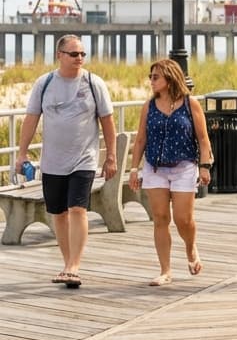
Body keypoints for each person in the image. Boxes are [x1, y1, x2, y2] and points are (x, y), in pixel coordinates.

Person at [16, 35, 117, 290]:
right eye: (74, 54)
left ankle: (74, 266)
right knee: (58, 213)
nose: (80, 58)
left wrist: (112, 156)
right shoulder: (45, 83)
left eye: (83, 54)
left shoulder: (95, 83)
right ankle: (68, 265)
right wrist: (22, 153)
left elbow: (107, 122)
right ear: (59, 55)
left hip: (84, 159)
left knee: (77, 209)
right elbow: (31, 119)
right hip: (52, 161)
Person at [128, 58, 213, 286]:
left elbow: (203, 139)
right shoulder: (149, 106)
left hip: (184, 166)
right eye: (150, 77)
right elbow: (140, 140)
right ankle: (165, 270)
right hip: (155, 167)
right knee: (161, 218)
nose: (151, 81)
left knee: (183, 219)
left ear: (169, 77)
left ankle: (190, 247)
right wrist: (134, 169)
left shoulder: (190, 103)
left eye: (156, 77)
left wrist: (204, 166)